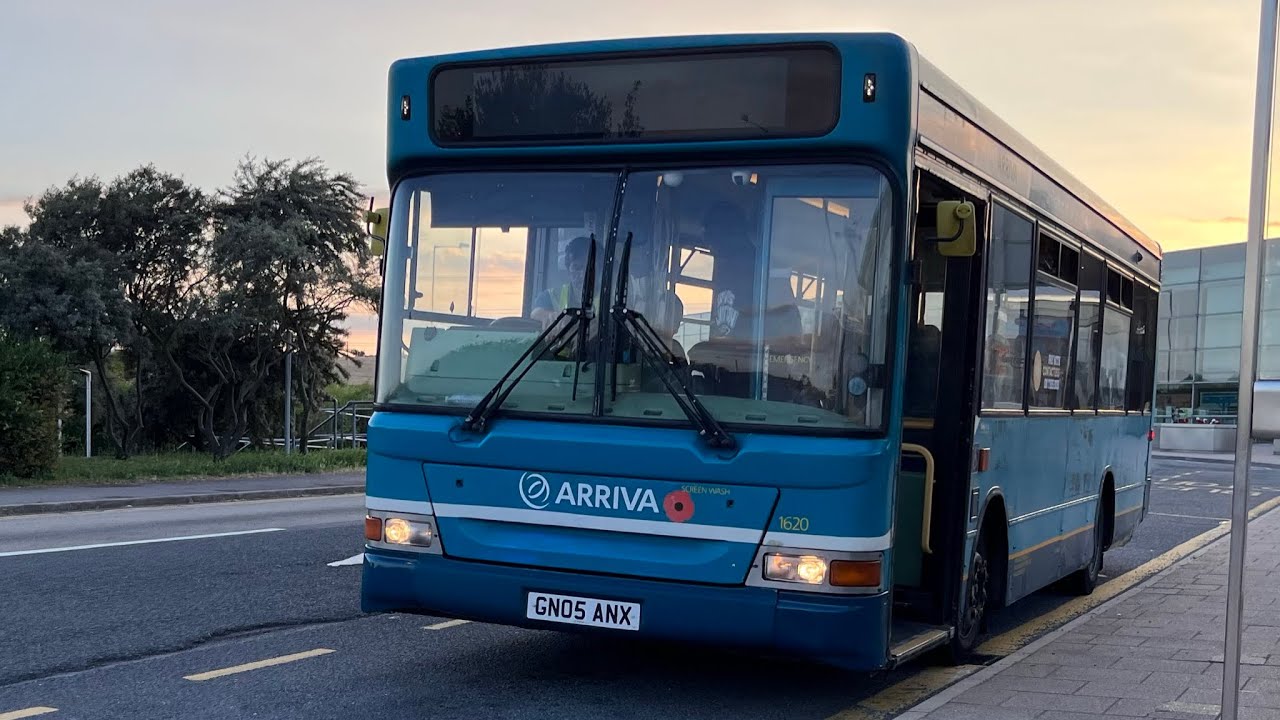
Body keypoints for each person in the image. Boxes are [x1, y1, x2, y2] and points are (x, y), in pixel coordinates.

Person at [531, 235, 594, 329]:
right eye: (576, 268)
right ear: (568, 271)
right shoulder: (554, 295)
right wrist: (551, 316)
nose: (582, 275)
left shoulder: (610, 297)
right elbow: (535, 313)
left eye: (587, 269)